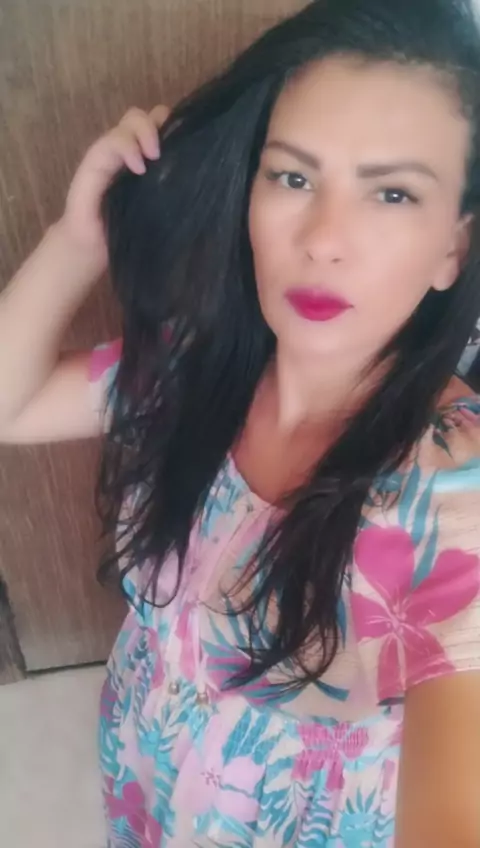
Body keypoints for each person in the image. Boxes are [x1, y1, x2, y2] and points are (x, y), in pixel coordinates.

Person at [1, 0, 480, 844]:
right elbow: (12, 403)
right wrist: (79, 239)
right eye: (292, 177)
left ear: (453, 248)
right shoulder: (197, 368)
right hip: (148, 763)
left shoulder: (453, 495)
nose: (324, 239)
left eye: (393, 193)